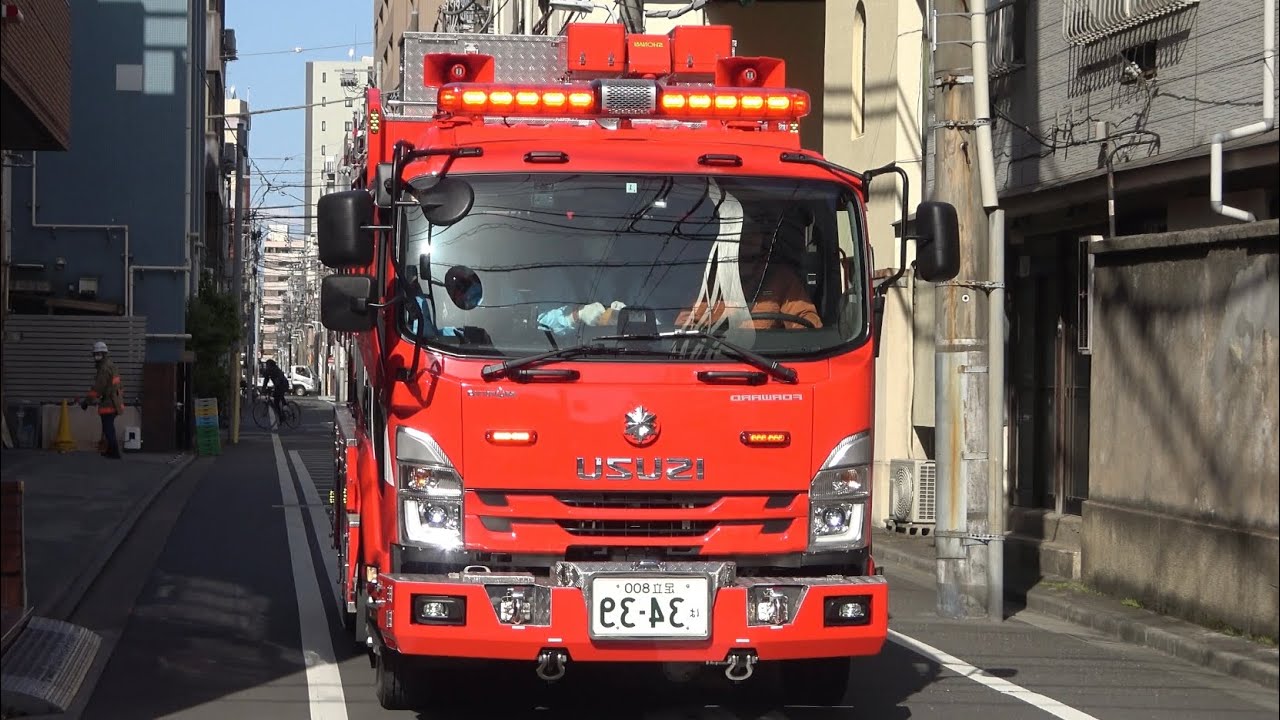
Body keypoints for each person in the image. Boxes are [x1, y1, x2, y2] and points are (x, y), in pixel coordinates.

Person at [677, 213, 821, 332]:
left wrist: (795, 340)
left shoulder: (781, 278)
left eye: (751, 234)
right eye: (739, 235)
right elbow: (685, 323)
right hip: (717, 357)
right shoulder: (712, 279)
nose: (745, 241)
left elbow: (806, 320)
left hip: (768, 358)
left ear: (761, 240)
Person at [80, 341, 124, 459]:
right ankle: (111, 451)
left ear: (103, 354)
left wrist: (86, 402)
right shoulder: (111, 365)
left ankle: (114, 452)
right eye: (95, 354)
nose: (95, 356)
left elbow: (98, 388)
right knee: (108, 427)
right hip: (115, 401)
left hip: (109, 402)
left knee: (108, 427)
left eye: (97, 354)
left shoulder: (104, 368)